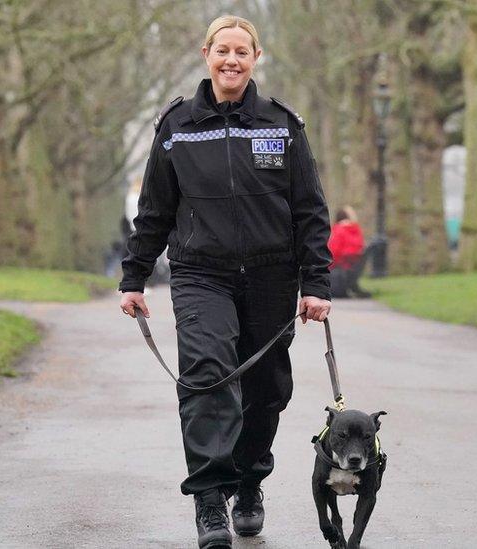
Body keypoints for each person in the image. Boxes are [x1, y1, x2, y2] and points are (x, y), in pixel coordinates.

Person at [118, 15, 332, 549]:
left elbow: (309, 210)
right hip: (200, 274)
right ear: (206, 55)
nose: (231, 60)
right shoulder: (177, 127)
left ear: (256, 57)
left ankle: (249, 483)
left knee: (266, 391)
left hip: (271, 276)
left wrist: (317, 284)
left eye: (242, 51)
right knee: (207, 374)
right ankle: (210, 498)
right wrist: (134, 277)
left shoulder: (283, 125)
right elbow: (154, 210)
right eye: (222, 51)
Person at [328, 206, 372, 298]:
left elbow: (334, 251)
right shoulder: (355, 229)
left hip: (339, 266)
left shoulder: (338, 229)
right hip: (353, 265)